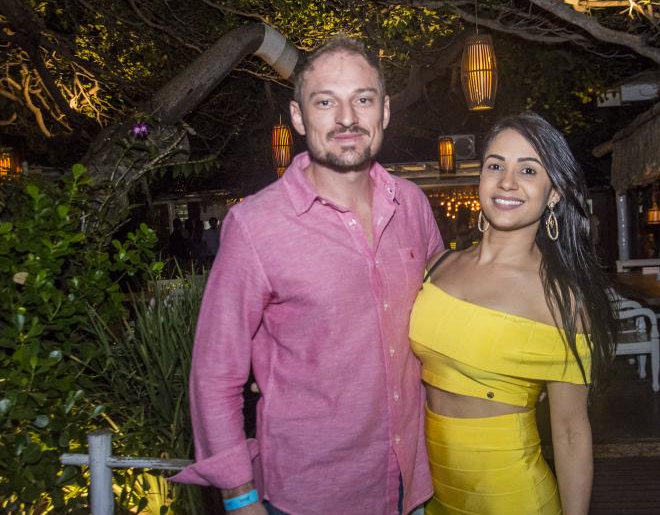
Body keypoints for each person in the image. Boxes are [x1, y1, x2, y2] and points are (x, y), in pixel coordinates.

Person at [171, 36, 443, 515]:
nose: (346, 118)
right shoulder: (255, 225)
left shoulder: (412, 205)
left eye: (363, 99)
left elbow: (445, 312)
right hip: (309, 495)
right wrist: (239, 498)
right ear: (298, 117)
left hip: (410, 483)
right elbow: (215, 372)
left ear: (384, 112)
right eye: (325, 102)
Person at [409, 113, 616, 514]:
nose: (507, 181)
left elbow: (570, 432)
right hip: (433, 495)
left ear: (553, 194)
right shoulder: (437, 266)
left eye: (528, 170)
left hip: (513, 497)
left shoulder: (561, 300)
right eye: (495, 165)